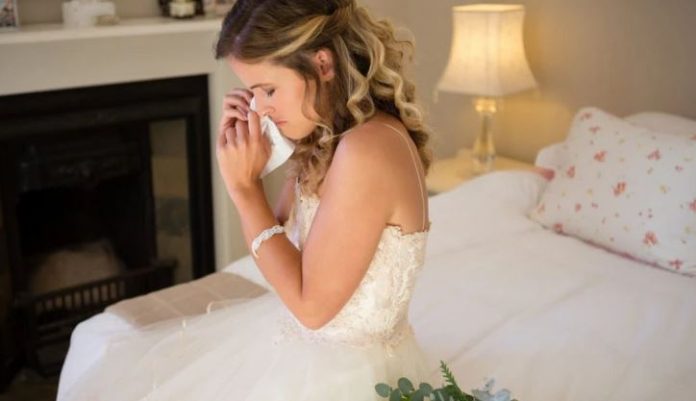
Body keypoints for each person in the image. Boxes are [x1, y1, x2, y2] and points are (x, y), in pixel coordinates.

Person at [60, 0, 433, 399]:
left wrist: (244, 189)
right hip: (314, 350)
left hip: (348, 374)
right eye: (254, 94)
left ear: (323, 64)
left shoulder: (367, 149)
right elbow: (279, 240)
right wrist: (256, 159)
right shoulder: (332, 139)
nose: (262, 107)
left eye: (269, 90)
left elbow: (311, 308)